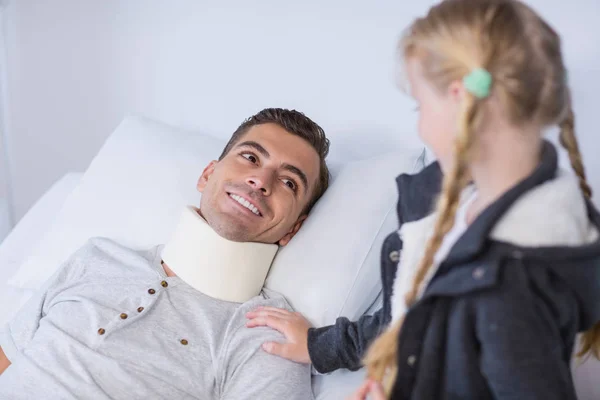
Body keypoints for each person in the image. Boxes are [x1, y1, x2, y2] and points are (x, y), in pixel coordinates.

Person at [355, 0, 600, 398]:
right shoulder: (465, 206)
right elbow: (416, 319)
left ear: (459, 100)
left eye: (420, 106)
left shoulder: (508, 284)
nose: (419, 123)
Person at [0, 108, 331, 400]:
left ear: (293, 228)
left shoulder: (266, 332)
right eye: (251, 158)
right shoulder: (96, 256)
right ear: (207, 175)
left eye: (289, 182)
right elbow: (7, 357)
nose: (261, 180)